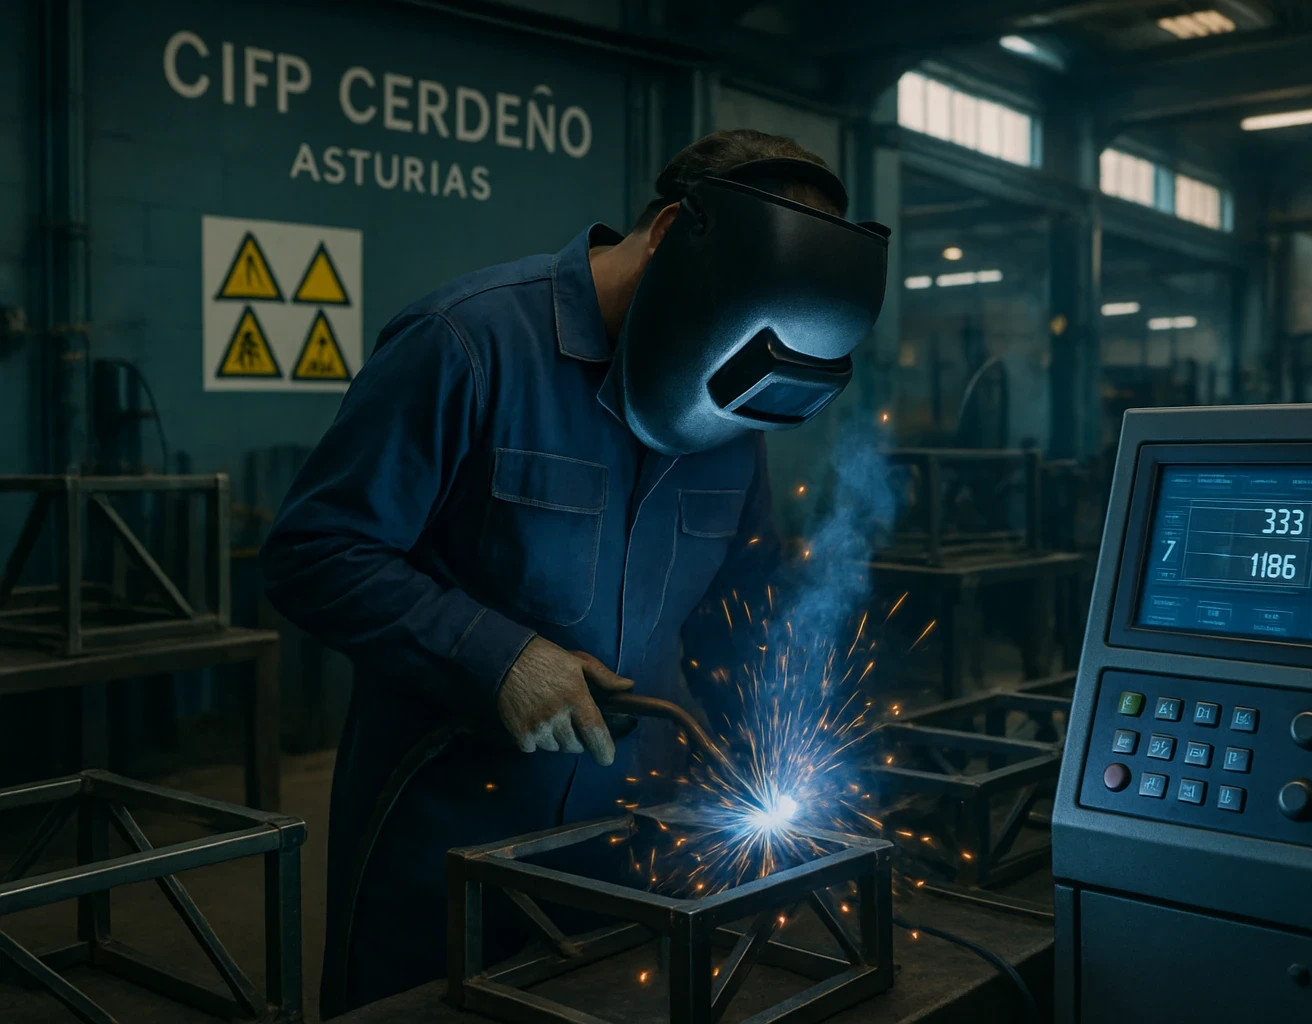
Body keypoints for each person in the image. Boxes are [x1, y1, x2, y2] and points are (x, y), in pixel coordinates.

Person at [259, 128, 888, 1016]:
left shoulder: (735, 399)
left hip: (642, 841)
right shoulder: (467, 343)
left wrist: (780, 758)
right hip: (449, 837)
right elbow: (312, 553)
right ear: (671, 233)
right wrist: (499, 659)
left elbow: (739, 609)